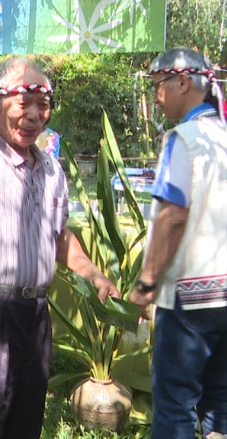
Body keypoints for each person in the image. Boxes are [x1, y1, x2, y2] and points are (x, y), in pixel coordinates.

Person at [0, 0, 119, 439]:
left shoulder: (52, 169)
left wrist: (93, 274)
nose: (35, 114)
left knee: (25, 427)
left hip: (33, 316)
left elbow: (58, 236)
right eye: (24, 102)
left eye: (44, 104)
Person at [129, 47, 227, 439]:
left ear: (182, 82)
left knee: (175, 405)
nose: (156, 96)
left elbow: (173, 216)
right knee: (220, 403)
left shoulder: (184, 138)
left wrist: (146, 283)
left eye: (158, 86)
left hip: (189, 297)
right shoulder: (222, 136)